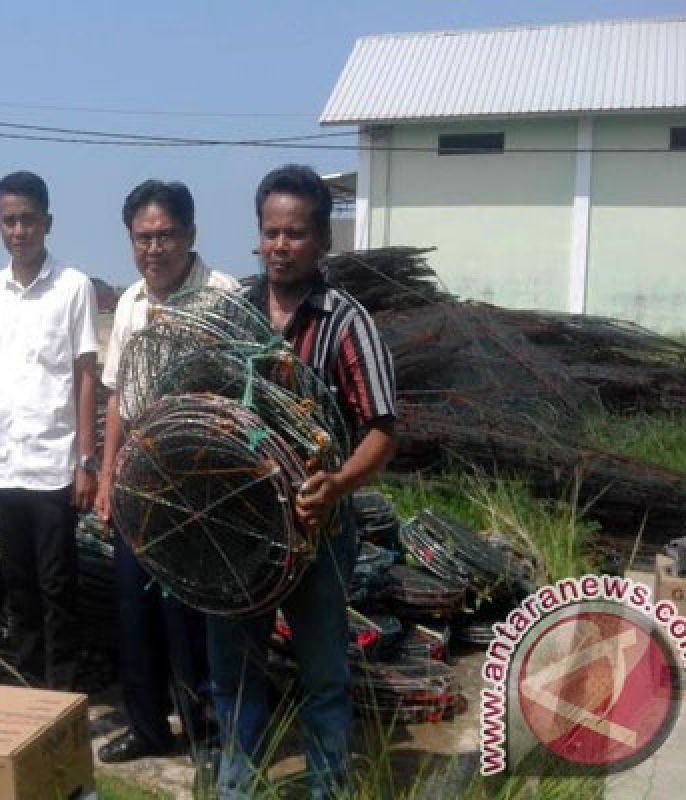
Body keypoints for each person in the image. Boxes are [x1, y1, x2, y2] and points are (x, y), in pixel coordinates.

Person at [205, 165, 397, 799]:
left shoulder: (346, 322)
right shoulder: (232, 308)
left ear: (323, 242)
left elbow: (381, 429)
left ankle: (327, 792)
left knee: (324, 681)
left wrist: (336, 484)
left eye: (295, 233)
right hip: (239, 532)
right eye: (270, 233)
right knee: (234, 679)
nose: (280, 245)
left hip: (319, 532)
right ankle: (239, 791)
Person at [93, 180, 234, 764]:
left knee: (192, 618)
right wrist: (105, 480)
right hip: (138, 487)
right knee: (136, 612)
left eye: (165, 235)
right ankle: (147, 727)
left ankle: (204, 735)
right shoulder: (129, 302)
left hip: (199, 488)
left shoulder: (223, 297)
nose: (154, 248)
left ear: (190, 235)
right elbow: (118, 399)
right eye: (142, 238)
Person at [0, 171, 99, 690]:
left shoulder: (73, 287)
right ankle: (28, 685)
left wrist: (85, 461)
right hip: (4, 465)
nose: (19, 229)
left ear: (47, 222)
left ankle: (63, 691)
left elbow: (85, 377)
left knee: (58, 585)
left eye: (28, 218)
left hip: (54, 467)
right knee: (18, 585)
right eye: (9, 220)